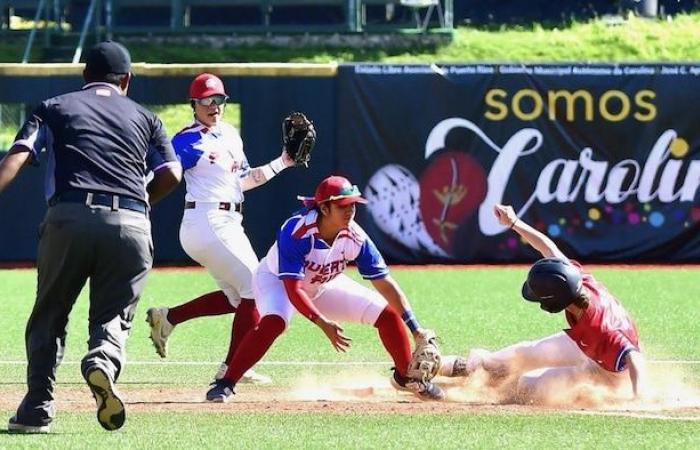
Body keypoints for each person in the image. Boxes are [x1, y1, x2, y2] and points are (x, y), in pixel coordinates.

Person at [0, 41, 182, 433]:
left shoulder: (54, 106)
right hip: (132, 223)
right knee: (113, 315)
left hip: (70, 217)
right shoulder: (147, 118)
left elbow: (16, 155)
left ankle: (37, 409)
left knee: (49, 315)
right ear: (127, 81)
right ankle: (102, 358)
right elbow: (173, 174)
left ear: (84, 77)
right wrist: (140, 204)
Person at [205, 175, 445, 402]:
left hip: (322, 284)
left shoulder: (356, 237)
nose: (350, 210)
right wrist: (322, 322)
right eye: (343, 205)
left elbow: (385, 284)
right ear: (324, 208)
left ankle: (406, 377)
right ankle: (225, 383)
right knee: (275, 322)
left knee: (387, 314)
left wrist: (415, 328)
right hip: (276, 282)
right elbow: (293, 289)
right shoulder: (297, 231)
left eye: (353, 204)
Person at [145, 73, 299, 386]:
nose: (214, 105)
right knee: (257, 288)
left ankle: (169, 317)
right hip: (206, 222)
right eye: (206, 100)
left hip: (228, 222)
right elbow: (158, 173)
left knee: (236, 298)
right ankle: (232, 369)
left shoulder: (230, 134)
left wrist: (283, 161)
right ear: (194, 104)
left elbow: (244, 180)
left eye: (219, 99)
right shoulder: (186, 140)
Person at [440, 204, 649, 404]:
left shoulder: (603, 329)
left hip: (606, 371)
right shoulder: (577, 280)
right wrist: (514, 222)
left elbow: (633, 355)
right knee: (526, 352)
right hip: (585, 342)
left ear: (554, 303)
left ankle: (491, 386)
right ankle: (464, 367)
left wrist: (638, 396)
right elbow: (548, 248)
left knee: (527, 386)